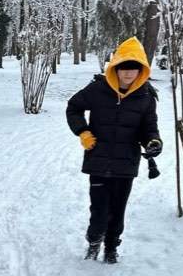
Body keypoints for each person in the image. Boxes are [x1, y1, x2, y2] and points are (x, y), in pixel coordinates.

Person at [66, 36, 162, 263]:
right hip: (98, 160)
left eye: (134, 69)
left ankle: (111, 247)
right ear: (115, 68)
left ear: (142, 70)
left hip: (126, 164)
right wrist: (83, 132)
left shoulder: (146, 97)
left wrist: (153, 142)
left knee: (118, 212)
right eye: (124, 68)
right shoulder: (98, 89)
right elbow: (74, 107)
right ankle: (94, 241)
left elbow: (149, 128)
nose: (128, 74)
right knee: (99, 211)